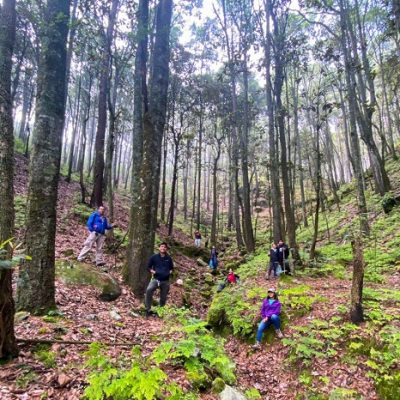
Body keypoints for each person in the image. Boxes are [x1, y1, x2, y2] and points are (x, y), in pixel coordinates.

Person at [144, 242, 174, 317]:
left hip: (165, 281)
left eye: (164, 247)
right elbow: (148, 266)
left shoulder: (169, 258)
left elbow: (171, 268)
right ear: (159, 248)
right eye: (162, 246)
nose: (163, 248)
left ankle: (160, 312)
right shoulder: (154, 257)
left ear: (166, 249)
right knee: (149, 290)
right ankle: (148, 309)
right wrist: (153, 271)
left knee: (163, 297)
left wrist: (169, 272)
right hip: (156, 279)